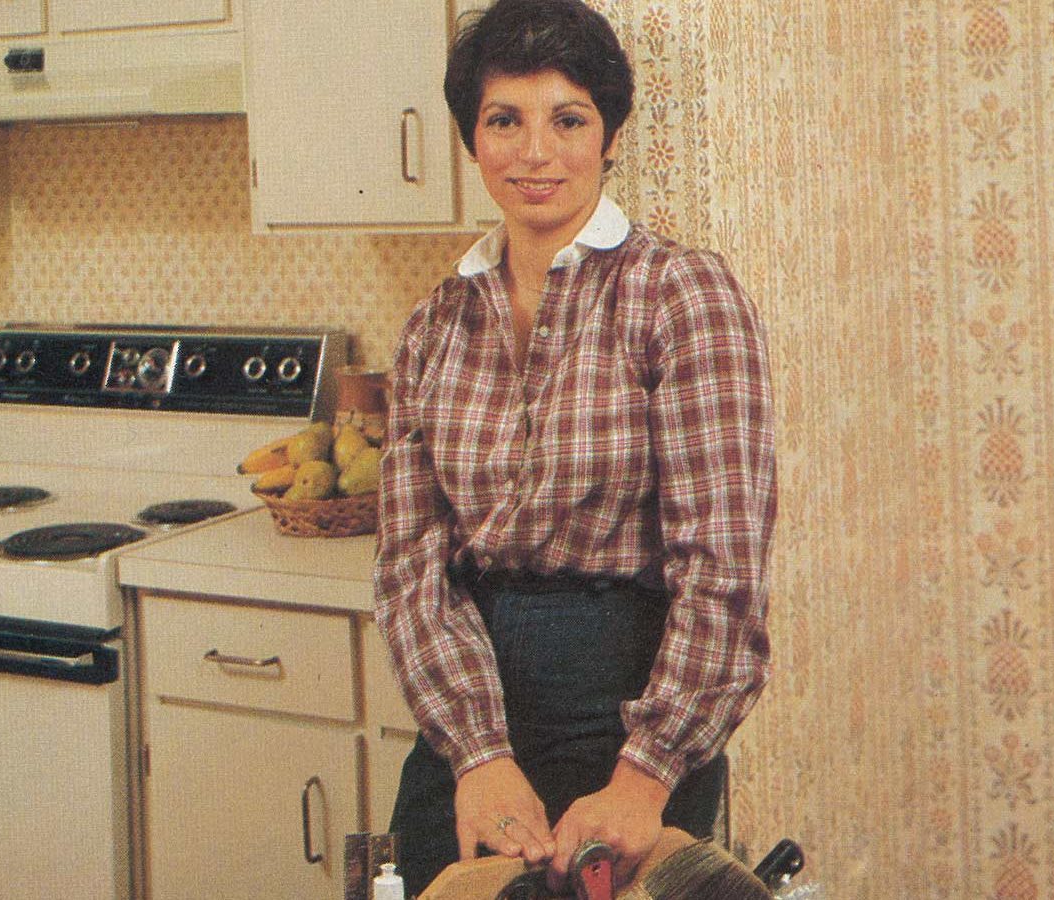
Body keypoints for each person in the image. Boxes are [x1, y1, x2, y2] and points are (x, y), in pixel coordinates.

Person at [373, 0, 777, 895]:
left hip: (630, 710)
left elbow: (725, 568)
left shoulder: (680, 295)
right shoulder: (433, 325)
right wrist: (477, 754)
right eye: (503, 121)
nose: (534, 151)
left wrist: (645, 775)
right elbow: (411, 569)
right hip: (471, 716)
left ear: (610, 135)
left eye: (568, 119)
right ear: (471, 141)